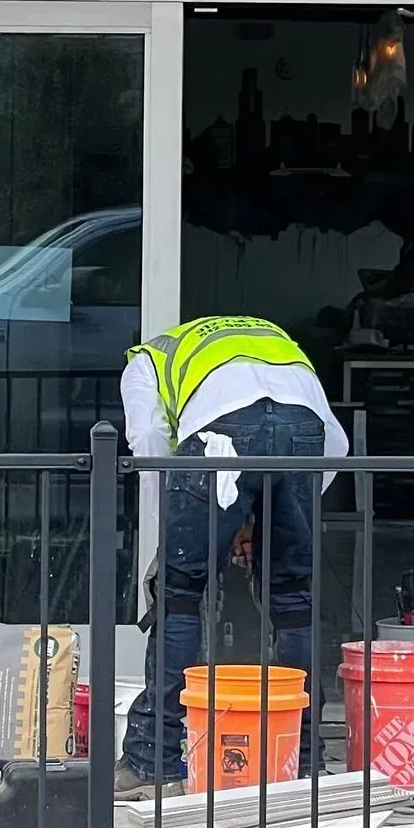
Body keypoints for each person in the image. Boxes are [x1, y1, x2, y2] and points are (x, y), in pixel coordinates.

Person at [117, 313, 349, 798]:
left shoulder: (146, 360)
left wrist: (175, 541)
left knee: (179, 594)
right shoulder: (273, 337)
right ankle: (304, 761)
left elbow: (152, 448)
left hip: (220, 433)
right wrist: (262, 520)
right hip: (303, 429)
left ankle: (153, 762)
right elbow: (335, 444)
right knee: (293, 597)